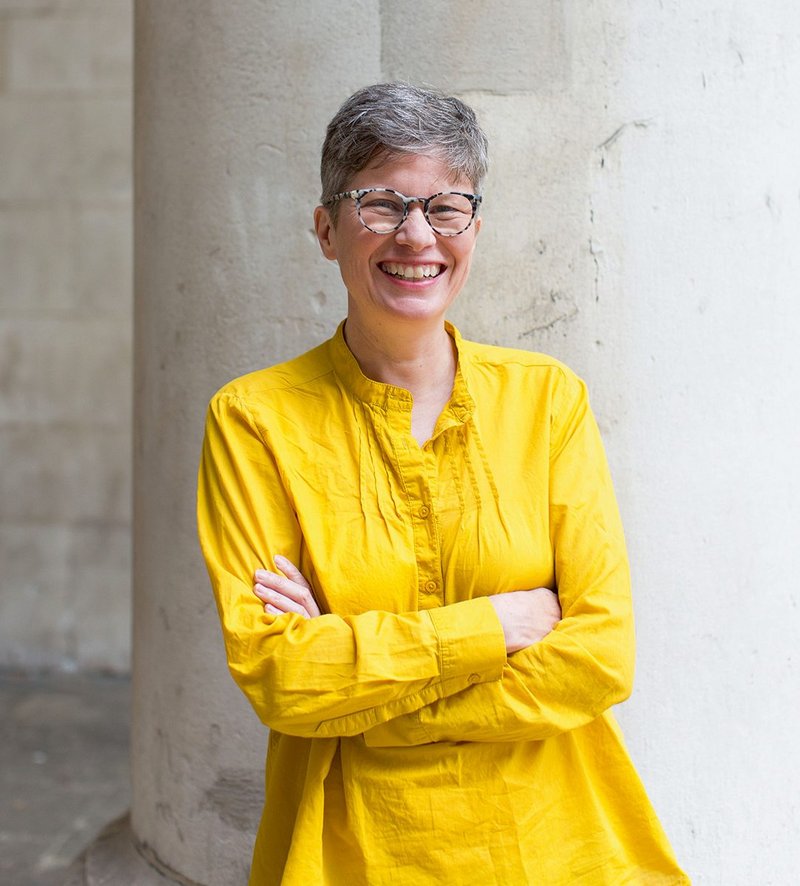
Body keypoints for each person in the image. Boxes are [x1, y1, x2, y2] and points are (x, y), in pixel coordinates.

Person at [197, 82, 689, 885]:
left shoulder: (546, 399)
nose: (417, 234)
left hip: (559, 848)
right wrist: (494, 626)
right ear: (327, 229)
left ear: (474, 229)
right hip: (351, 852)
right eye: (381, 203)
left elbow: (599, 657)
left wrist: (364, 704)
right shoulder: (254, 421)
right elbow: (283, 678)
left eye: (445, 207)